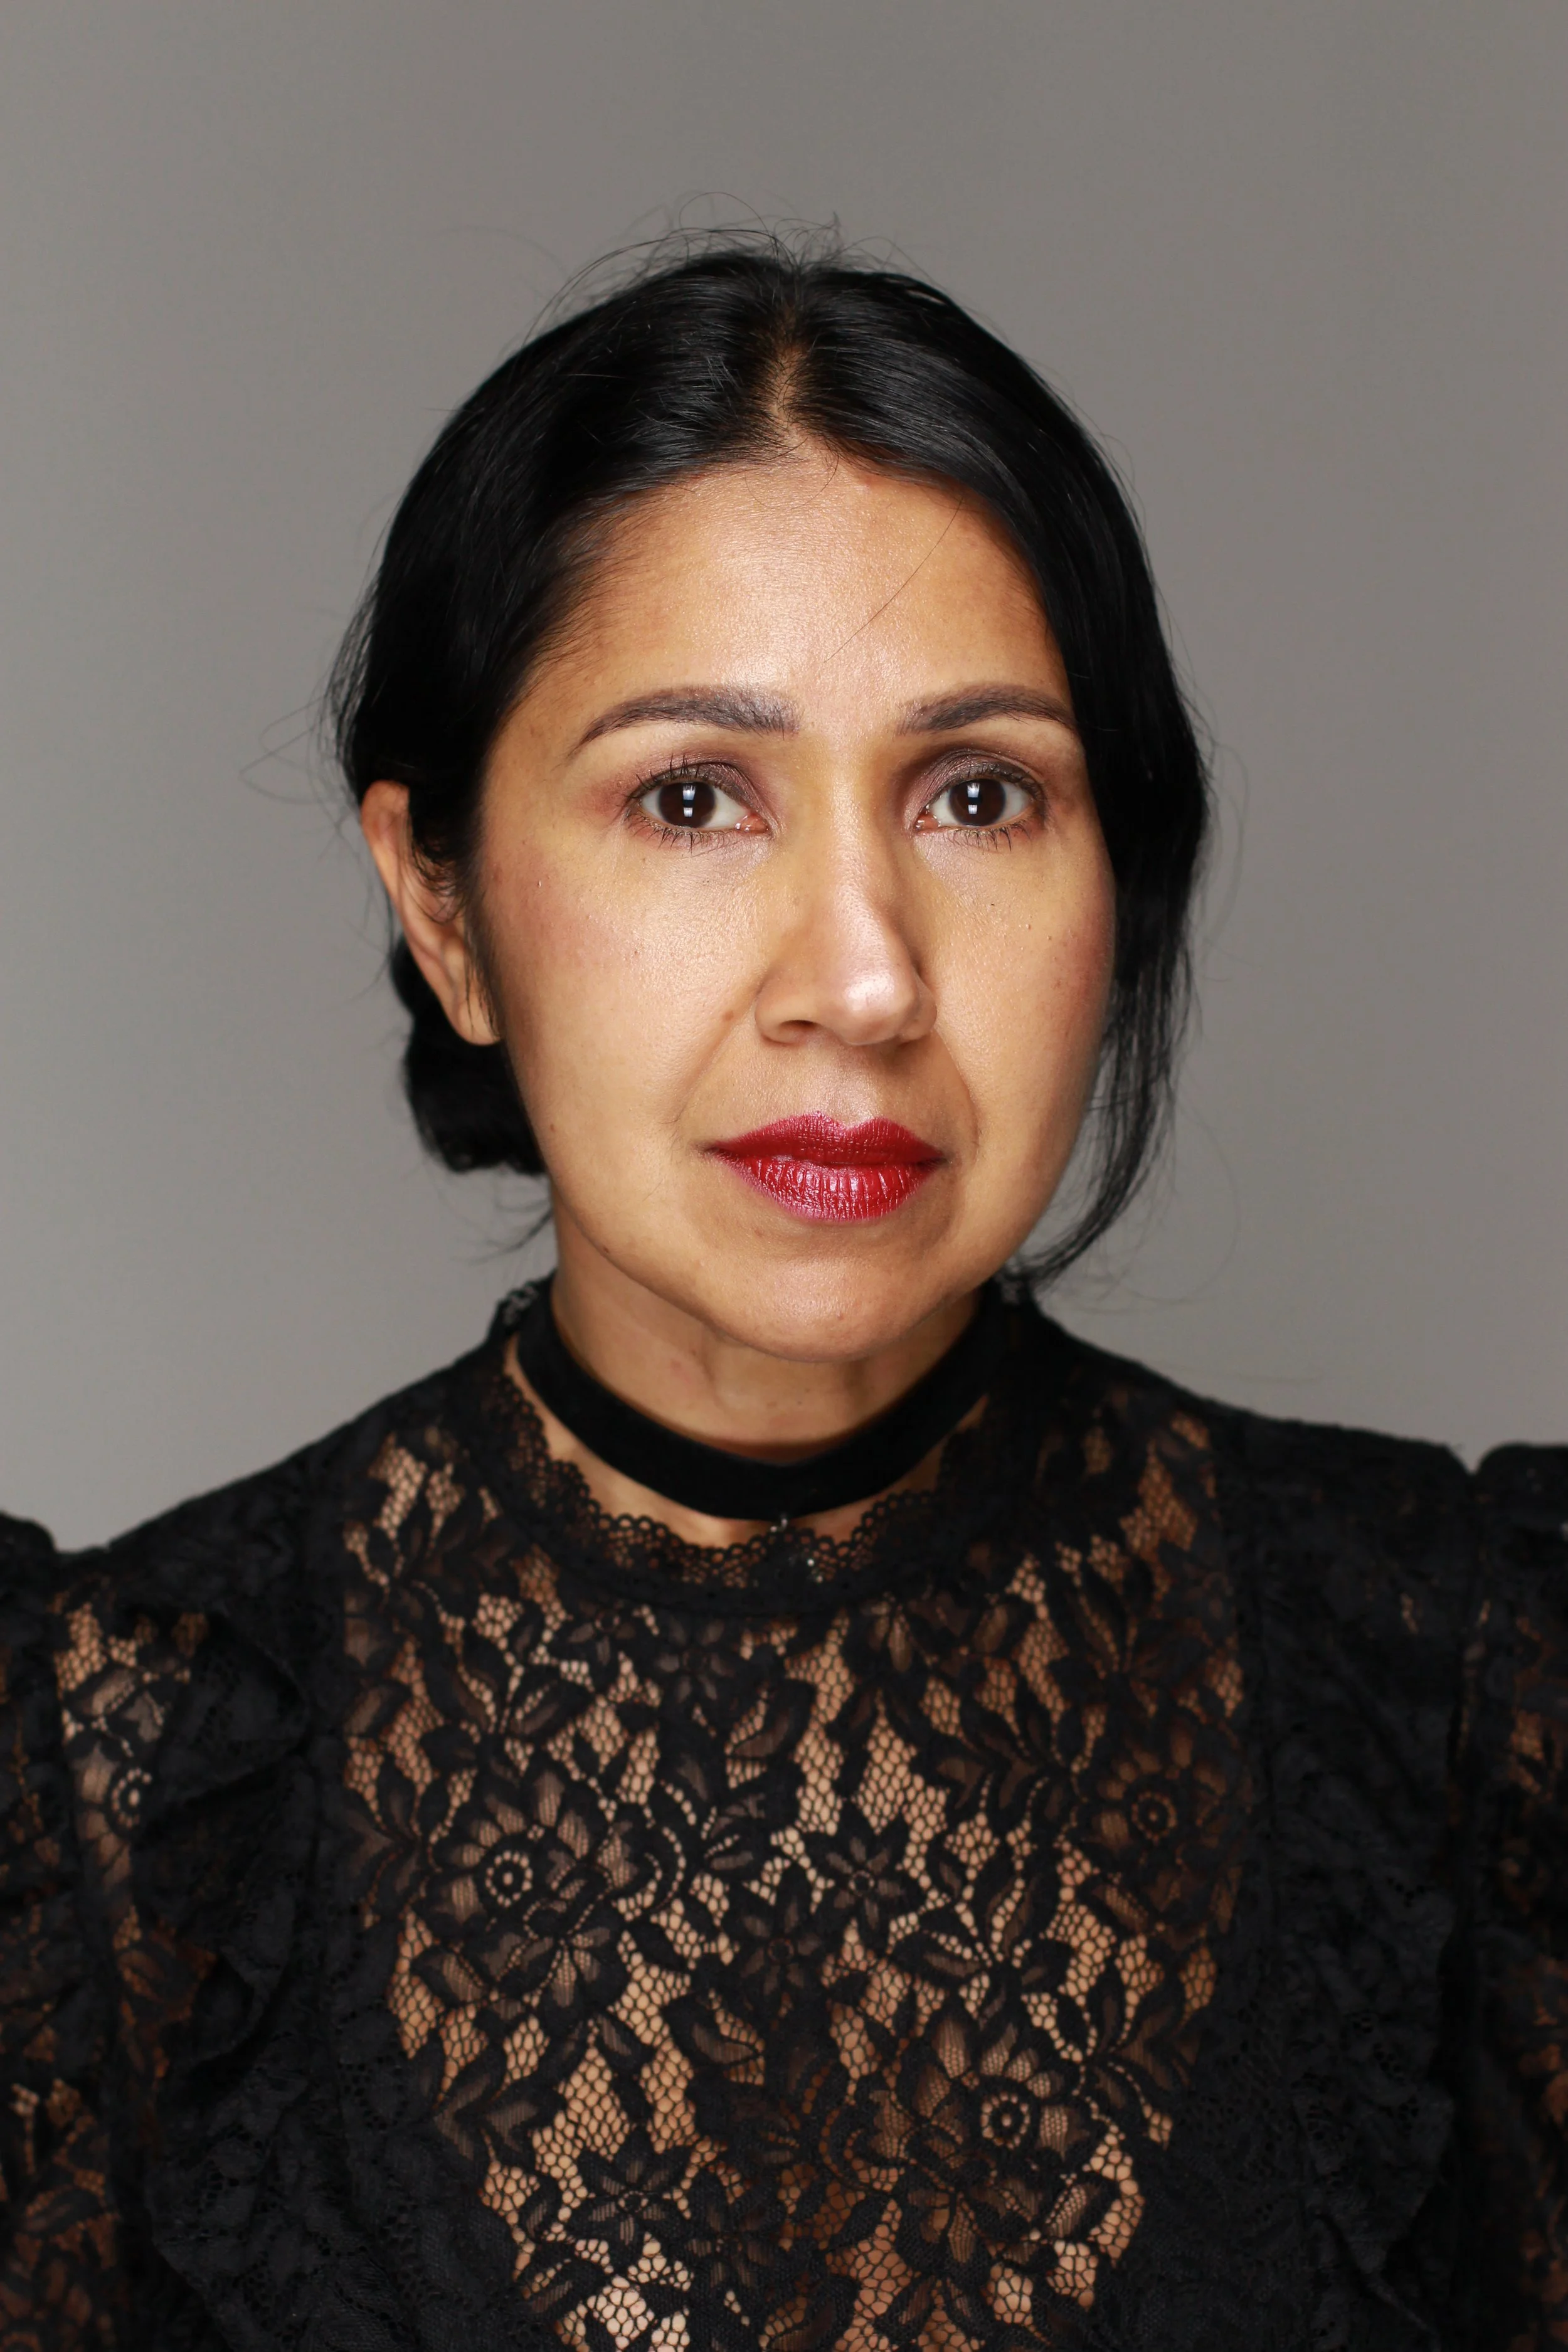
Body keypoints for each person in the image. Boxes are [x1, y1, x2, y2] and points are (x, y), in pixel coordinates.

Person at [1, 239, 1561, 2352]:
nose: (864, 975)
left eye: (979, 794)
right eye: (691, 797)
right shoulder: (104, 1792)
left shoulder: (1474, 1697)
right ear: (442, 905)